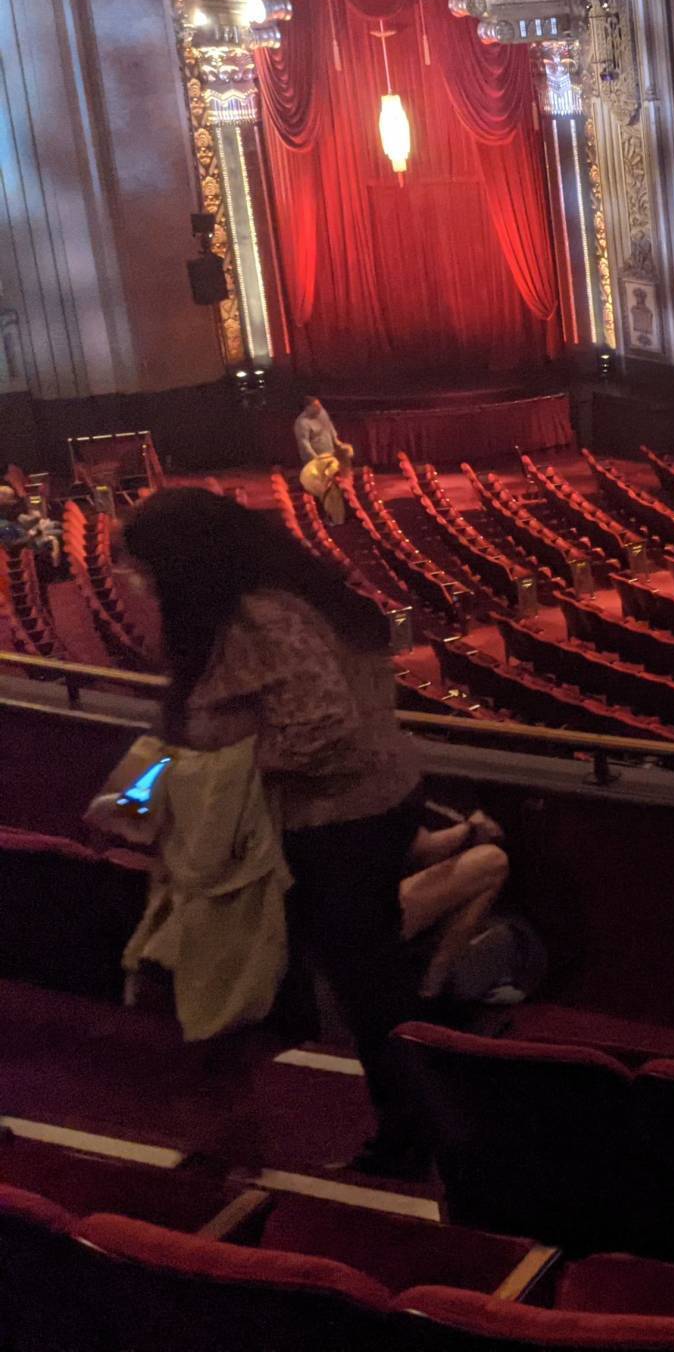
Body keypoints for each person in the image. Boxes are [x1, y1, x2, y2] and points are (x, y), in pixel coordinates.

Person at [122, 485, 431, 1176]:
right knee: (340, 980)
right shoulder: (245, 607)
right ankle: (369, 1123)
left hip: (343, 822)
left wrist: (217, 775)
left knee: (366, 986)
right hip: (323, 820)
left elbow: (322, 727)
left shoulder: (263, 617)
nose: (135, 585)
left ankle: (413, 1135)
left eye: (144, 570)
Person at [401, 805, 509, 1002]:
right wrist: (470, 827)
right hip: (364, 910)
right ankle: (431, 989)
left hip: (339, 906)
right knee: (492, 861)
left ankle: (432, 987)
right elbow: (424, 849)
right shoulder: (379, 786)